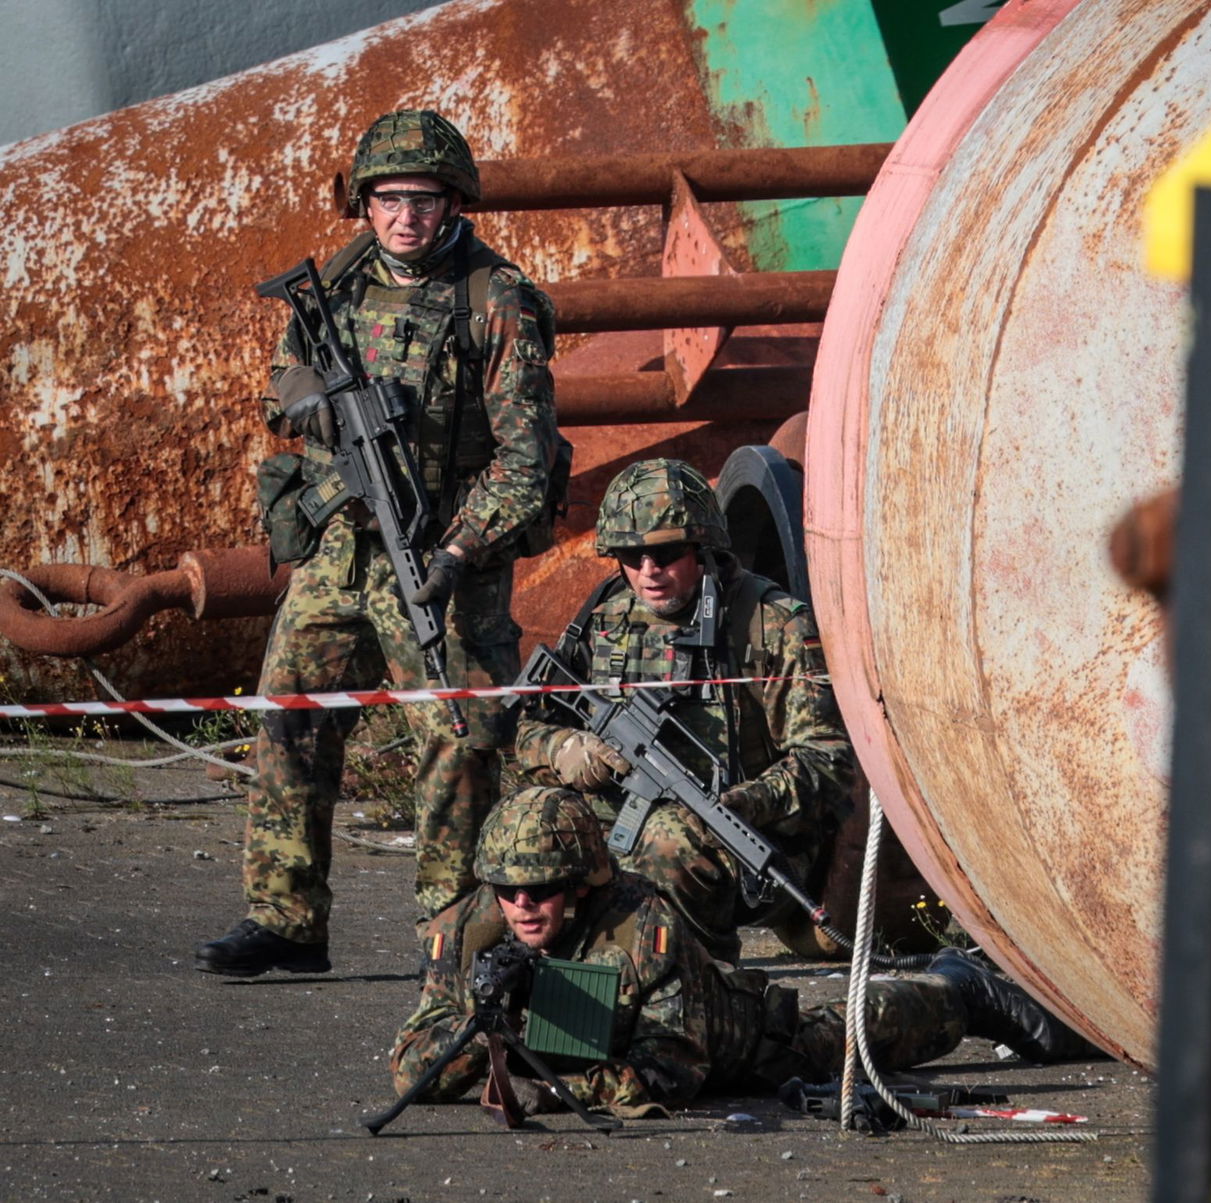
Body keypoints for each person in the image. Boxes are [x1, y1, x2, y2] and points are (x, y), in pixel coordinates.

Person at [196, 110, 560, 977]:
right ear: (365, 203)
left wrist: (459, 551)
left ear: (454, 201)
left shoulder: (495, 299)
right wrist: (311, 401)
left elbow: (527, 459)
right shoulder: (341, 281)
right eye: (389, 199)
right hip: (339, 547)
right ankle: (285, 918)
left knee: (463, 738)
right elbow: (284, 376)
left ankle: (457, 931)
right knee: (288, 715)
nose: (406, 217)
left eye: (425, 200)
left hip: (440, 553)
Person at [390, 790, 1089, 1116]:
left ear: (579, 885)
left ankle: (961, 986)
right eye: (509, 890)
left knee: (854, 1037)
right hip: (615, 1052)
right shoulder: (468, 935)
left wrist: (549, 1089)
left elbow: (675, 1069)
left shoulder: (641, 925)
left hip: (747, 1043)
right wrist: (488, 1036)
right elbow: (410, 1063)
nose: (522, 906)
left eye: (540, 890)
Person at [511, 458, 853, 965]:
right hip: (620, 822)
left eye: (666, 552)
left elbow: (829, 760)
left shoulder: (768, 623)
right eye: (631, 554)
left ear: (702, 546)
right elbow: (525, 728)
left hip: (751, 846)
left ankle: (700, 985)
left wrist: (741, 804)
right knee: (518, 835)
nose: (648, 571)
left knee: (669, 838)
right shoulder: (602, 617)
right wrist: (565, 749)